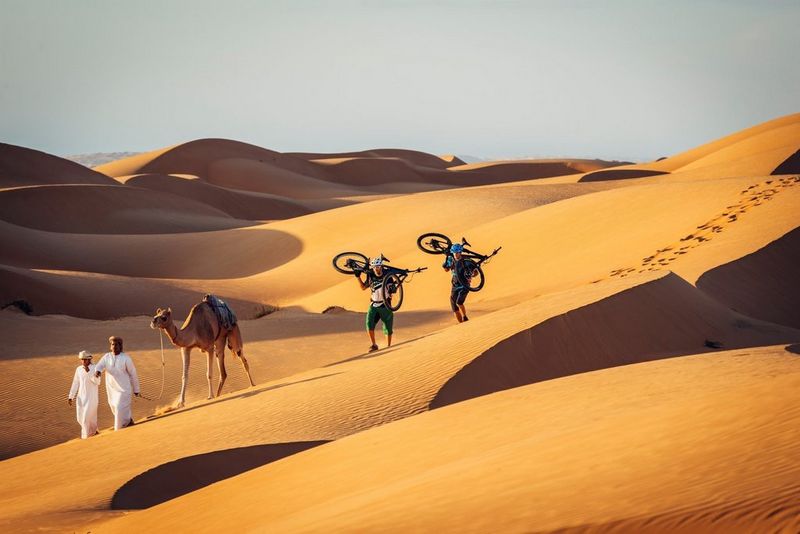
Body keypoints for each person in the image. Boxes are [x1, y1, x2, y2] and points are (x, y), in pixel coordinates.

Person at [94, 336, 140, 430]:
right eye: (112, 344)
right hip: (111, 388)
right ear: (110, 346)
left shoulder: (126, 358)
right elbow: (99, 366)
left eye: (116, 344)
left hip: (124, 389)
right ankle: (127, 421)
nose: (114, 346)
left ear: (120, 346)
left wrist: (136, 389)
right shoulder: (107, 357)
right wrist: (98, 371)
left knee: (119, 407)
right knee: (114, 407)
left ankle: (118, 430)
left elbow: (133, 374)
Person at [356, 256, 394, 352]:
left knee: (388, 328)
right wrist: (358, 277)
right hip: (373, 305)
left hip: (385, 305)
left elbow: (392, 290)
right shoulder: (371, 276)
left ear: (381, 267)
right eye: (374, 267)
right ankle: (373, 345)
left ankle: (389, 347)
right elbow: (363, 288)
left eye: (378, 267)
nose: (376, 269)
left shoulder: (388, 276)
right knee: (369, 324)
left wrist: (393, 289)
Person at [68, 350, 101, 438]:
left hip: (92, 398)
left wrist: (89, 372)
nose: (83, 361)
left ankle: (85, 437)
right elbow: (75, 383)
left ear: (89, 359)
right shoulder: (78, 369)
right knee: (80, 418)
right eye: (81, 359)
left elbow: (98, 382)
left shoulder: (95, 368)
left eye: (85, 359)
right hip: (81, 398)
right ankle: (93, 432)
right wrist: (71, 396)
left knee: (86, 418)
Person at [443, 243, 476, 323]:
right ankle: (461, 324)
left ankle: (464, 316)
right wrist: (446, 265)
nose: (455, 254)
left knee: (459, 302)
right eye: (454, 252)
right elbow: (446, 270)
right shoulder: (451, 259)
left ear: (460, 252)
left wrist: (470, 275)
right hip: (454, 283)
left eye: (457, 252)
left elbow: (476, 272)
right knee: (453, 304)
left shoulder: (467, 261)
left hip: (464, 284)